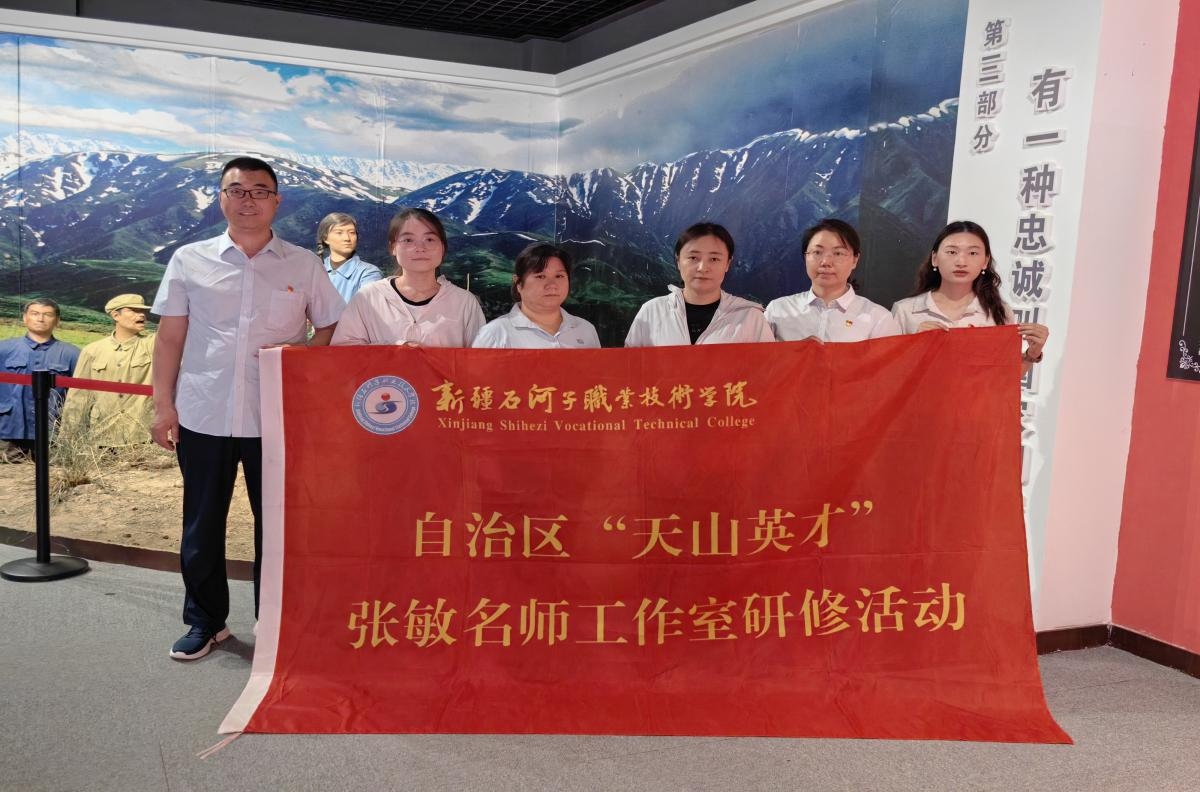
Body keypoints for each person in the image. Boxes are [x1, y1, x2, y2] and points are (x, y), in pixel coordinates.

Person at [151, 156, 344, 662]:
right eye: (236, 190)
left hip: (277, 418)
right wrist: (162, 406)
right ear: (221, 198)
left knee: (277, 529)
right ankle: (205, 622)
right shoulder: (189, 259)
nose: (248, 200)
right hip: (203, 412)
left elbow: (329, 324)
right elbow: (169, 338)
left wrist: (304, 360)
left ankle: (275, 623)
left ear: (276, 201)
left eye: (259, 191)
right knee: (201, 525)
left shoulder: (302, 264)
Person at [891, 220, 1049, 371]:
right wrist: (914, 344)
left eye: (973, 253)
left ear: (985, 261)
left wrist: (1032, 355)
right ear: (935, 259)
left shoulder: (998, 312)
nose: (961, 262)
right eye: (952, 252)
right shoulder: (905, 310)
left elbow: (1001, 380)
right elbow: (889, 375)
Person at [332, 207, 484, 346]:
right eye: (408, 240)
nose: (420, 248)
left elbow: (479, 359)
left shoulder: (464, 302)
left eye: (429, 239)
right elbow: (342, 353)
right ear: (393, 247)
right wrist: (395, 351)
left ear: (443, 247)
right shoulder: (368, 298)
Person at [624, 222, 774, 347]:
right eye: (693, 258)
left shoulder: (750, 317)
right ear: (678, 261)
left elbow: (769, 370)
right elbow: (630, 368)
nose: (702, 268)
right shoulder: (651, 312)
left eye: (714, 259)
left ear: (728, 264)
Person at [764, 218, 900, 342]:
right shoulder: (778, 310)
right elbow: (761, 359)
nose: (826, 262)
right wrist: (795, 352)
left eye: (838, 253)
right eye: (817, 252)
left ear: (855, 260)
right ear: (805, 257)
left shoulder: (878, 319)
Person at [60, 294, 156, 447]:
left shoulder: (152, 345)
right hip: (102, 437)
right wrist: (67, 439)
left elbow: (172, 331)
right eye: (133, 310)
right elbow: (78, 397)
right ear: (115, 315)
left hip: (143, 437)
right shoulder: (92, 351)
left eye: (143, 311)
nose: (142, 315)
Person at [472, 243, 600, 349]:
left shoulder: (585, 329)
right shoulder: (495, 334)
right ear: (518, 283)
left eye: (559, 276)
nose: (552, 285)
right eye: (540, 276)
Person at [0, 298, 79, 461]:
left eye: (47, 314)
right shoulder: (4, 349)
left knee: (51, 473)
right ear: (25, 318)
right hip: (8, 430)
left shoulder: (72, 354)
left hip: (53, 433)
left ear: (57, 321)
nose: (40, 319)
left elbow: (80, 394)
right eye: (35, 313)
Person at [317, 211, 382, 303]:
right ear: (325, 238)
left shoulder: (368, 273)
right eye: (339, 233)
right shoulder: (315, 270)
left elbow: (368, 308)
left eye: (352, 233)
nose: (347, 238)